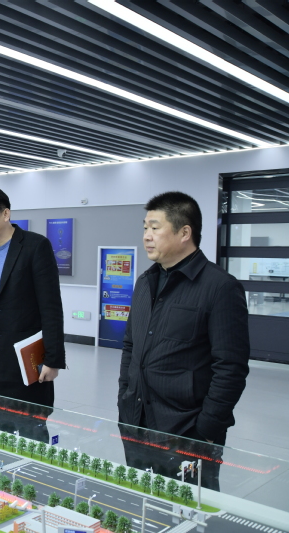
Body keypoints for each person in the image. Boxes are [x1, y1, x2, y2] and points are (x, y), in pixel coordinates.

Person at [118, 191, 250, 490]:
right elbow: (130, 346)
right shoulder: (145, 282)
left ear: (184, 233)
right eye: (145, 228)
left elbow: (231, 367)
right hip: (136, 420)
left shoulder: (220, 288)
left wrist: (206, 430)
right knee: (141, 499)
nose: (146, 236)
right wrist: (124, 397)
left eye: (155, 228)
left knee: (188, 507)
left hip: (186, 430)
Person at [0, 187, 65, 442]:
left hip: (23, 362)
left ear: (5, 214)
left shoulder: (35, 246)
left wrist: (53, 360)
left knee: (30, 432)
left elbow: (51, 307)